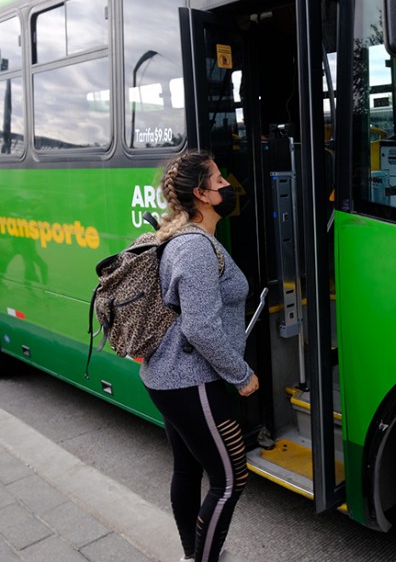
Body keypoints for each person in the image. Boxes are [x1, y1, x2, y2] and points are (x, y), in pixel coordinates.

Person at [141, 149, 259, 562]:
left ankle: (193, 555)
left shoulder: (188, 238)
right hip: (191, 380)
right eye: (220, 180)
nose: (229, 186)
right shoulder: (193, 247)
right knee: (230, 480)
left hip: (172, 378)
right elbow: (200, 326)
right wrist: (241, 374)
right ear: (202, 195)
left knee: (189, 469)